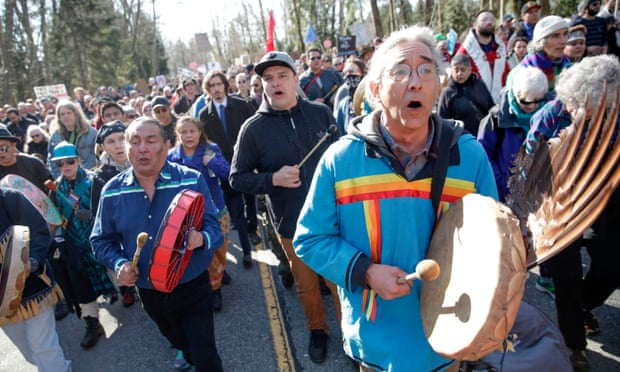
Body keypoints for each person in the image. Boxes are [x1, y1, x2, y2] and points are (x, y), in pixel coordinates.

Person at [293, 25, 497, 371]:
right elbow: (310, 239)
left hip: (447, 340)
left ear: (439, 86)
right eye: (400, 71)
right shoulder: (340, 160)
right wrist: (366, 272)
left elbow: (491, 242)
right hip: (375, 347)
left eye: (426, 70)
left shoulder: (470, 156)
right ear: (374, 90)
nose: (414, 81)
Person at [230, 51, 341, 364]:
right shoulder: (253, 129)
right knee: (306, 286)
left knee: (338, 282)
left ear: (296, 79)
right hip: (291, 223)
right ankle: (318, 331)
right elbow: (237, 178)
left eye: (281, 76)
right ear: (262, 85)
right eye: (268, 78)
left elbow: (344, 157)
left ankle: (351, 332)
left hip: (333, 218)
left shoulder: (321, 114)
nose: (275, 83)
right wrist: (272, 179)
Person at [91, 117, 224, 372]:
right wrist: (119, 264)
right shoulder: (112, 191)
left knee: (205, 355)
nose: (143, 148)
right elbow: (100, 240)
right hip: (150, 291)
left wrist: (202, 238)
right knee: (178, 341)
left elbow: (215, 227)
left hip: (192, 283)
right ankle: (187, 353)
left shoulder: (191, 180)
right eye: (135, 141)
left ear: (166, 145)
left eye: (151, 140)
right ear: (127, 148)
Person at [525, 54, 620, 372]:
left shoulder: (614, 116)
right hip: (558, 208)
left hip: (602, 202)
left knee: (611, 267)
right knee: (565, 277)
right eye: (590, 108)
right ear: (573, 99)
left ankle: (582, 306)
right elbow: (528, 169)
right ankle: (574, 345)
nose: (598, 116)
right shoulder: (548, 118)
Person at [49, 141, 116, 349]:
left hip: (99, 236)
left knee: (114, 268)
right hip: (75, 242)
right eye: (60, 163)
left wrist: (94, 215)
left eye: (70, 161)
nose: (66, 166)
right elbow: (55, 218)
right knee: (80, 280)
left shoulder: (94, 181)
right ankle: (92, 322)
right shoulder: (55, 189)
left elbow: (109, 210)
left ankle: (129, 291)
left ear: (78, 160)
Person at [0, 187, 70, 372]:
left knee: (43, 348)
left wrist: (33, 261)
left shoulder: (9, 198)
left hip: (32, 290)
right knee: (29, 353)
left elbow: (39, 231)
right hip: (2, 306)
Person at [167, 116, 231, 312]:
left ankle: (220, 269)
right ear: (177, 134)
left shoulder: (210, 149)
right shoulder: (171, 156)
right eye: (183, 132)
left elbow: (227, 173)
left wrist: (212, 162)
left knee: (219, 245)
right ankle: (215, 289)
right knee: (204, 250)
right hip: (187, 212)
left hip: (214, 207)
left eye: (192, 131)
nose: (188, 136)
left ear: (199, 132)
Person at [199, 70, 257, 265]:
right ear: (208, 90)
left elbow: (253, 131)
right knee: (236, 208)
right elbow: (205, 143)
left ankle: (253, 229)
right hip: (223, 169)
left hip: (245, 163)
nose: (216, 89)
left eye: (218, 84)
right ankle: (247, 251)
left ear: (225, 85)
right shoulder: (204, 114)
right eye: (212, 86)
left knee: (250, 200)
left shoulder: (241, 105)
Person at [477, 66, 549, 202]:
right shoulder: (495, 119)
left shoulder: (551, 117)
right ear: (515, 94)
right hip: (504, 195)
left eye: (537, 101)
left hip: (541, 195)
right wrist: (501, 184)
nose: (532, 106)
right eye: (525, 101)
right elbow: (483, 154)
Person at [89, 120, 139, 308]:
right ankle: (127, 291)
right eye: (111, 141)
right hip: (123, 235)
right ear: (102, 147)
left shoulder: (143, 161)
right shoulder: (101, 177)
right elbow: (99, 219)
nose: (118, 145)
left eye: (121, 139)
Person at [456, 9, 509, 103]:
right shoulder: (465, 51)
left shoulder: (501, 49)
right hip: (474, 105)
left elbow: (507, 76)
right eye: (484, 19)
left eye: (492, 20)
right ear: (474, 24)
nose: (489, 22)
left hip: (499, 104)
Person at [438, 54, 495, 135]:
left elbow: (491, 108)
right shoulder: (447, 93)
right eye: (456, 70)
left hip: (484, 135)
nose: (459, 73)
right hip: (460, 138)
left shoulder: (479, 85)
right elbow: (442, 121)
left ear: (470, 70)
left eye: (463, 69)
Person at [512, 15, 571, 93]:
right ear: (541, 42)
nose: (563, 41)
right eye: (556, 36)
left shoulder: (568, 66)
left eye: (565, 34)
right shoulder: (524, 71)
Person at [47, 100, 98, 178]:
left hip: (88, 177)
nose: (66, 116)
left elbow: (94, 157)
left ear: (76, 114)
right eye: (62, 114)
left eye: (69, 113)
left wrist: (80, 175)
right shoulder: (55, 136)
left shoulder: (91, 133)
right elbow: (52, 160)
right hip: (64, 179)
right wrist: (60, 178)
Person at [332, 58, 367, 135]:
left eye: (351, 71)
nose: (348, 75)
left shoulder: (371, 99)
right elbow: (339, 128)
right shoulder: (344, 103)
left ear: (363, 74)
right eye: (345, 72)